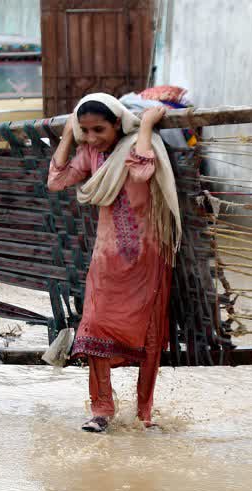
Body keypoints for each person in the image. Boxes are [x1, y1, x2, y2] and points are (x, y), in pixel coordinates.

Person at [47, 93, 181, 432]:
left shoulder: (137, 144)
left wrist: (147, 125)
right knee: (93, 328)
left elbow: (142, 171)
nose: (92, 137)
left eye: (99, 130)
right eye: (85, 130)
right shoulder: (89, 153)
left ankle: (144, 412)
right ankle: (102, 409)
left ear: (118, 124)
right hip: (106, 261)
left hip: (147, 258)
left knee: (148, 338)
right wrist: (67, 135)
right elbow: (56, 180)